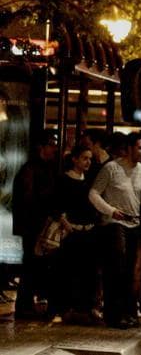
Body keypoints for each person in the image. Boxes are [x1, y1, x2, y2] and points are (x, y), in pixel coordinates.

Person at [88, 132, 141, 329]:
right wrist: (111, 211)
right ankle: (114, 314)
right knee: (117, 267)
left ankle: (130, 313)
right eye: (139, 147)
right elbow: (93, 194)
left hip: (135, 224)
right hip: (114, 224)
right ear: (129, 149)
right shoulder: (111, 168)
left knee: (130, 270)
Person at [12, 129, 59, 319]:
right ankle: (25, 306)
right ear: (41, 147)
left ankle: (27, 305)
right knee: (32, 265)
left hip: (34, 225)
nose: (54, 148)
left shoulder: (36, 168)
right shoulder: (33, 170)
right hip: (35, 226)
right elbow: (28, 199)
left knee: (33, 265)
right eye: (51, 144)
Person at [52, 145, 100, 324]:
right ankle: (68, 308)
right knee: (69, 271)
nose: (88, 162)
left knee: (88, 271)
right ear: (75, 159)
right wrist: (66, 224)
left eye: (89, 159)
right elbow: (56, 205)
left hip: (88, 231)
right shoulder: (63, 180)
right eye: (84, 158)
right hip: (71, 231)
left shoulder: (89, 180)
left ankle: (86, 308)